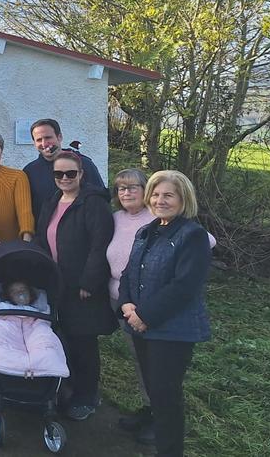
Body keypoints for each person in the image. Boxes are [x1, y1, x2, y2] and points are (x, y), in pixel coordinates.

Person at [109, 169, 215, 447]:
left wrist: (144, 315)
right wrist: (126, 304)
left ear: (183, 199)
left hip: (172, 331)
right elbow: (129, 273)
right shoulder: (147, 231)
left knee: (166, 397)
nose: (160, 200)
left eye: (168, 195)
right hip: (141, 326)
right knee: (154, 391)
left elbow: (184, 286)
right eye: (155, 194)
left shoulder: (193, 236)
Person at [33, 151, 116, 420]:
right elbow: (43, 238)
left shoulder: (93, 203)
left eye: (70, 173)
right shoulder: (53, 201)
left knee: (83, 344)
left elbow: (100, 245)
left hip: (82, 287)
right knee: (64, 338)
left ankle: (87, 396)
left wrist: (89, 282)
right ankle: (69, 388)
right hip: (59, 283)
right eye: (59, 174)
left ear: (81, 174)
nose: (65, 178)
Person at [23, 118, 107, 216]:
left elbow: (101, 200)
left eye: (48, 137)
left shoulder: (84, 164)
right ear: (34, 143)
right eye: (39, 140)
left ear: (59, 137)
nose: (44, 143)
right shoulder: (30, 171)